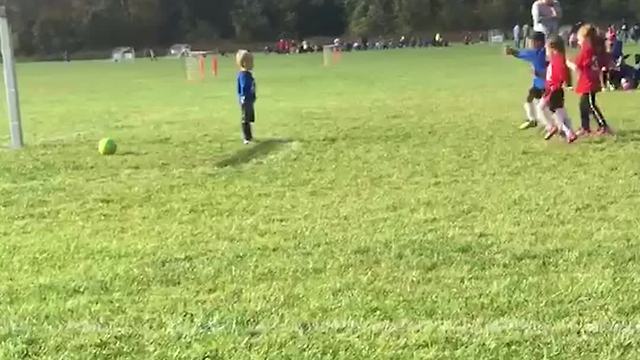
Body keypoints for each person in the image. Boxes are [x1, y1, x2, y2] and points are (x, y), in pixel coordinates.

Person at [567, 24, 612, 136]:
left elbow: (578, 65)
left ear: (586, 38)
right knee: (583, 105)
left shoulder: (587, 50)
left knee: (591, 105)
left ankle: (603, 126)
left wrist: (568, 63)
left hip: (589, 82)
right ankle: (585, 127)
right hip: (591, 81)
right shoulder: (595, 49)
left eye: (579, 39)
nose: (578, 42)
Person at [505, 32, 549, 130]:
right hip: (545, 82)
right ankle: (536, 120)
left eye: (532, 41)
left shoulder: (535, 53)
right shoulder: (547, 51)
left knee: (543, 105)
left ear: (539, 42)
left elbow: (520, 54)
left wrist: (511, 51)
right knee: (532, 98)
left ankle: (543, 123)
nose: (531, 44)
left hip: (542, 84)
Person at [540, 35, 577, 143]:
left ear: (552, 48)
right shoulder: (557, 58)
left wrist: (564, 82)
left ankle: (565, 131)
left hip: (553, 90)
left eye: (547, 49)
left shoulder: (558, 58)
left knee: (555, 113)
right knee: (560, 113)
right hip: (553, 90)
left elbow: (563, 70)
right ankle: (564, 130)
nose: (546, 52)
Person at [236, 50, 257, 144]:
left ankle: (249, 136)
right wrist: (244, 96)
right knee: (245, 118)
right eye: (251, 62)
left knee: (249, 118)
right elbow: (244, 87)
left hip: (249, 99)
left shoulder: (248, 74)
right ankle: (246, 138)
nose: (252, 64)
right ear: (244, 63)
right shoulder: (243, 75)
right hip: (246, 100)